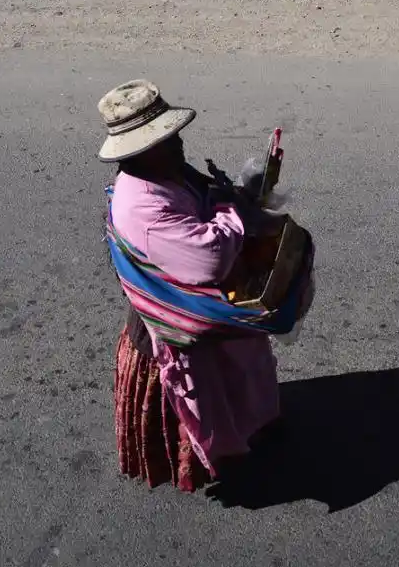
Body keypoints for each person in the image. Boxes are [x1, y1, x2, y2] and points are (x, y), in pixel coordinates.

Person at [97, 79, 310, 492]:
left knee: (240, 371)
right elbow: (209, 256)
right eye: (166, 140)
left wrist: (242, 195)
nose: (178, 144)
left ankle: (253, 427)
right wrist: (236, 209)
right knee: (206, 395)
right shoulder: (143, 205)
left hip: (211, 306)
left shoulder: (168, 174)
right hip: (179, 324)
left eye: (173, 135)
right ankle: (226, 458)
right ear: (139, 151)